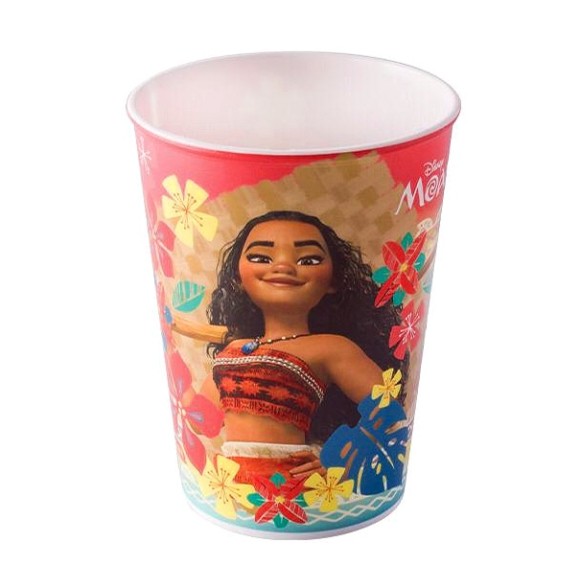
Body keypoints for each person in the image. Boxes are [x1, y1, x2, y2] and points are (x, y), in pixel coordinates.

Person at [197, 210, 405, 484]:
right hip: (229, 479)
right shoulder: (235, 348)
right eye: (261, 257)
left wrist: (337, 461)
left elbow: (390, 408)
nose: (283, 266)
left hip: (288, 478)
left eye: (309, 259)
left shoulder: (330, 347)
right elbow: (202, 417)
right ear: (238, 276)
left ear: (333, 280)